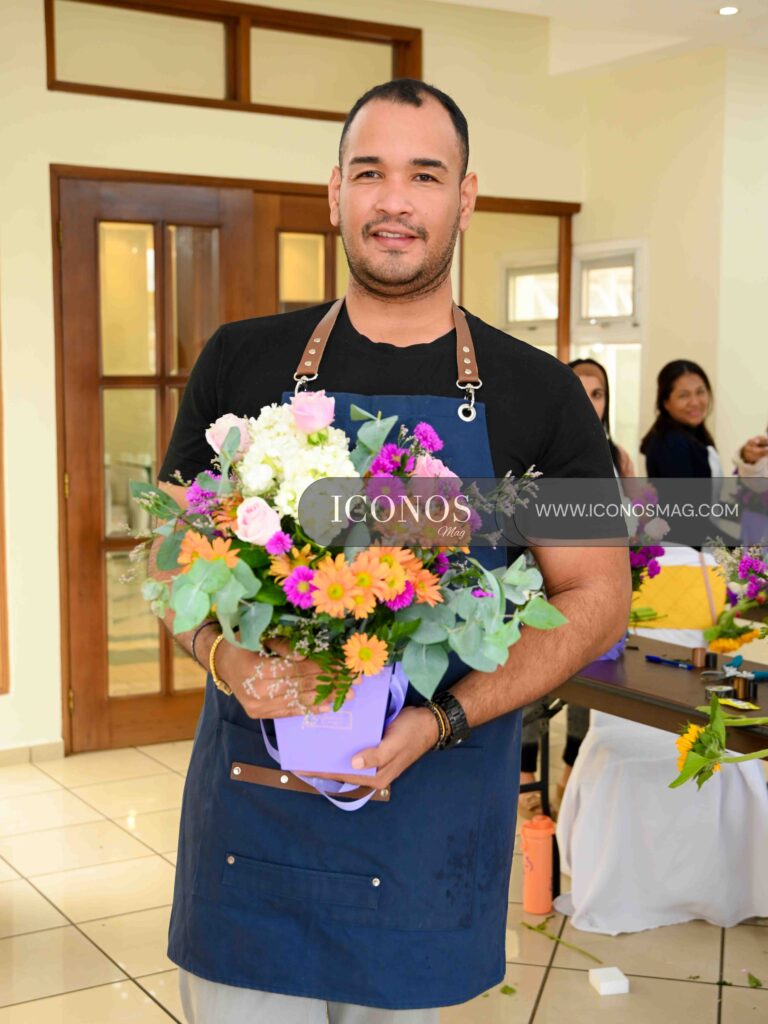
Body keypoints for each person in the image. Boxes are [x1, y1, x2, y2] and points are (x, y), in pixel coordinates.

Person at [153, 79, 630, 1023]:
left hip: (430, 829)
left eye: (425, 174)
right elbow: (176, 557)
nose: (395, 200)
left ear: (466, 196)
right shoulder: (239, 363)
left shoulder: (540, 393)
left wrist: (444, 718)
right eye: (370, 173)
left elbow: (594, 596)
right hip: (254, 815)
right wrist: (230, 658)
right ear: (335, 193)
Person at [519, 357, 636, 817]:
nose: (590, 402)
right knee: (531, 680)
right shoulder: (536, 451)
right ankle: (527, 780)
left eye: (599, 393)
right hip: (534, 587)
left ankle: (572, 772)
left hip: (592, 590)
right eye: (580, 390)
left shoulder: (617, 458)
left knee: (591, 679)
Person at [640, 360, 721, 478]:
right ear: (666, 402)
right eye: (683, 395)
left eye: (700, 392)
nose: (695, 402)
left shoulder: (694, 435)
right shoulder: (673, 444)